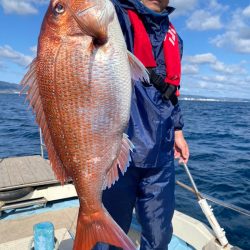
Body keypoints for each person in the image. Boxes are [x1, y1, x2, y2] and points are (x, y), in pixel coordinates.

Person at [95, 0, 189, 249]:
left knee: (159, 238)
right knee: (110, 238)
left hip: (161, 155)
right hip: (119, 152)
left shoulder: (174, 37)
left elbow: (171, 91)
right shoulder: (115, 16)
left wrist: (177, 130)